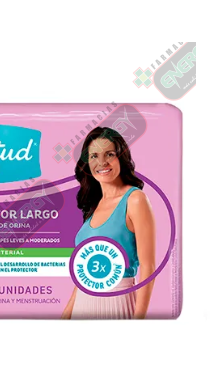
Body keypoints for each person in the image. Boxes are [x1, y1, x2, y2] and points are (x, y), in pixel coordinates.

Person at [61, 127, 156, 319]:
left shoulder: (135, 200)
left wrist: (139, 322)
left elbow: (148, 268)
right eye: (94, 156)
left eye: (109, 154)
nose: (102, 162)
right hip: (82, 305)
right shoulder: (94, 206)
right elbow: (83, 275)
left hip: (117, 304)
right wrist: (65, 316)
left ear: (121, 157)